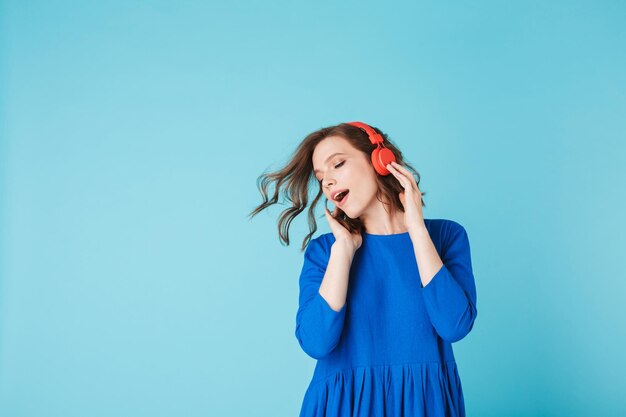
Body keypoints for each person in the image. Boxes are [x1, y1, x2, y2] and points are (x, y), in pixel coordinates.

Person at [249, 122, 478, 417]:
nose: (328, 183)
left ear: (380, 160)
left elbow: (454, 325)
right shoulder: (323, 253)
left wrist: (416, 229)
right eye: (320, 178)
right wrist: (343, 250)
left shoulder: (446, 237)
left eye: (338, 165)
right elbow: (317, 343)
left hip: (424, 405)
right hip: (345, 407)